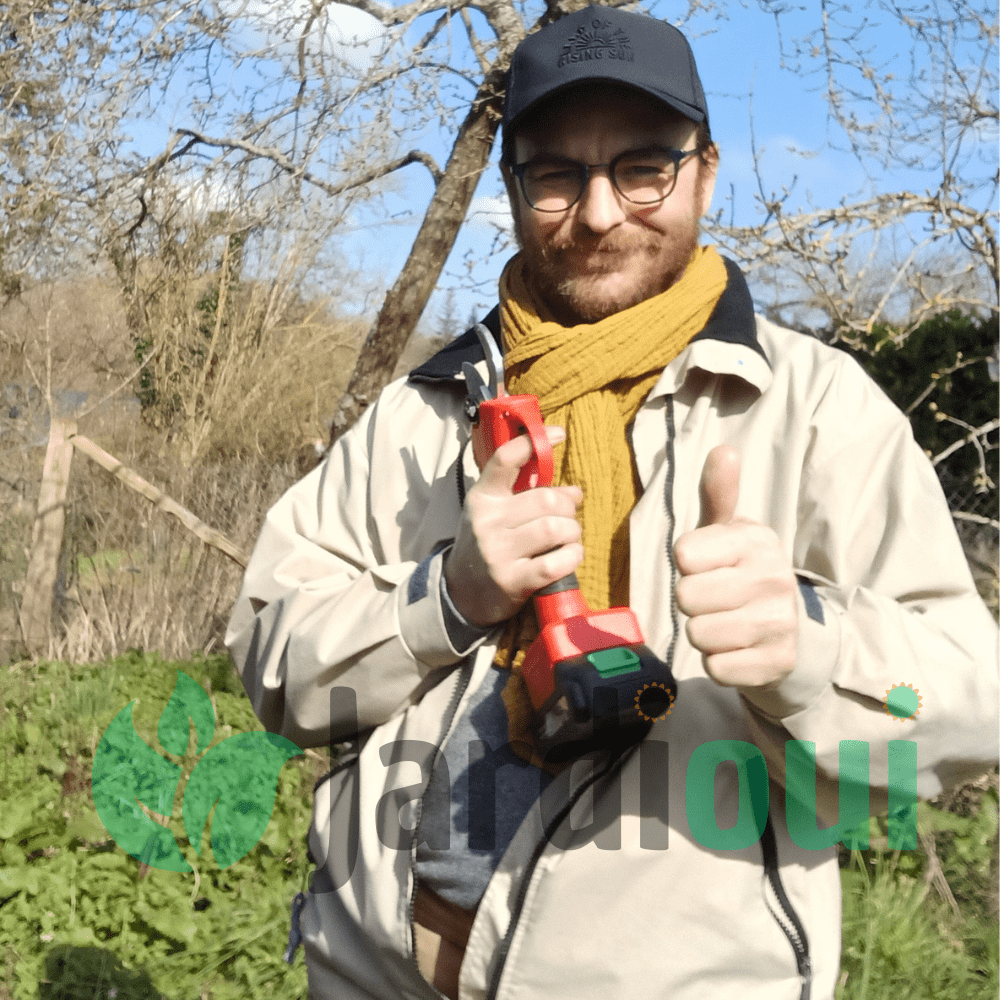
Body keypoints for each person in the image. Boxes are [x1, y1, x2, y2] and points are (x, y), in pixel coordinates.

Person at [226, 6, 998, 999]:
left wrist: (813, 648)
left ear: (703, 172)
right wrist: (447, 593)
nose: (597, 214)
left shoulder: (814, 410)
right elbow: (267, 660)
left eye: (642, 168)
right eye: (557, 174)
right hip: (374, 969)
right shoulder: (420, 416)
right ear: (512, 188)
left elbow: (972, 703)